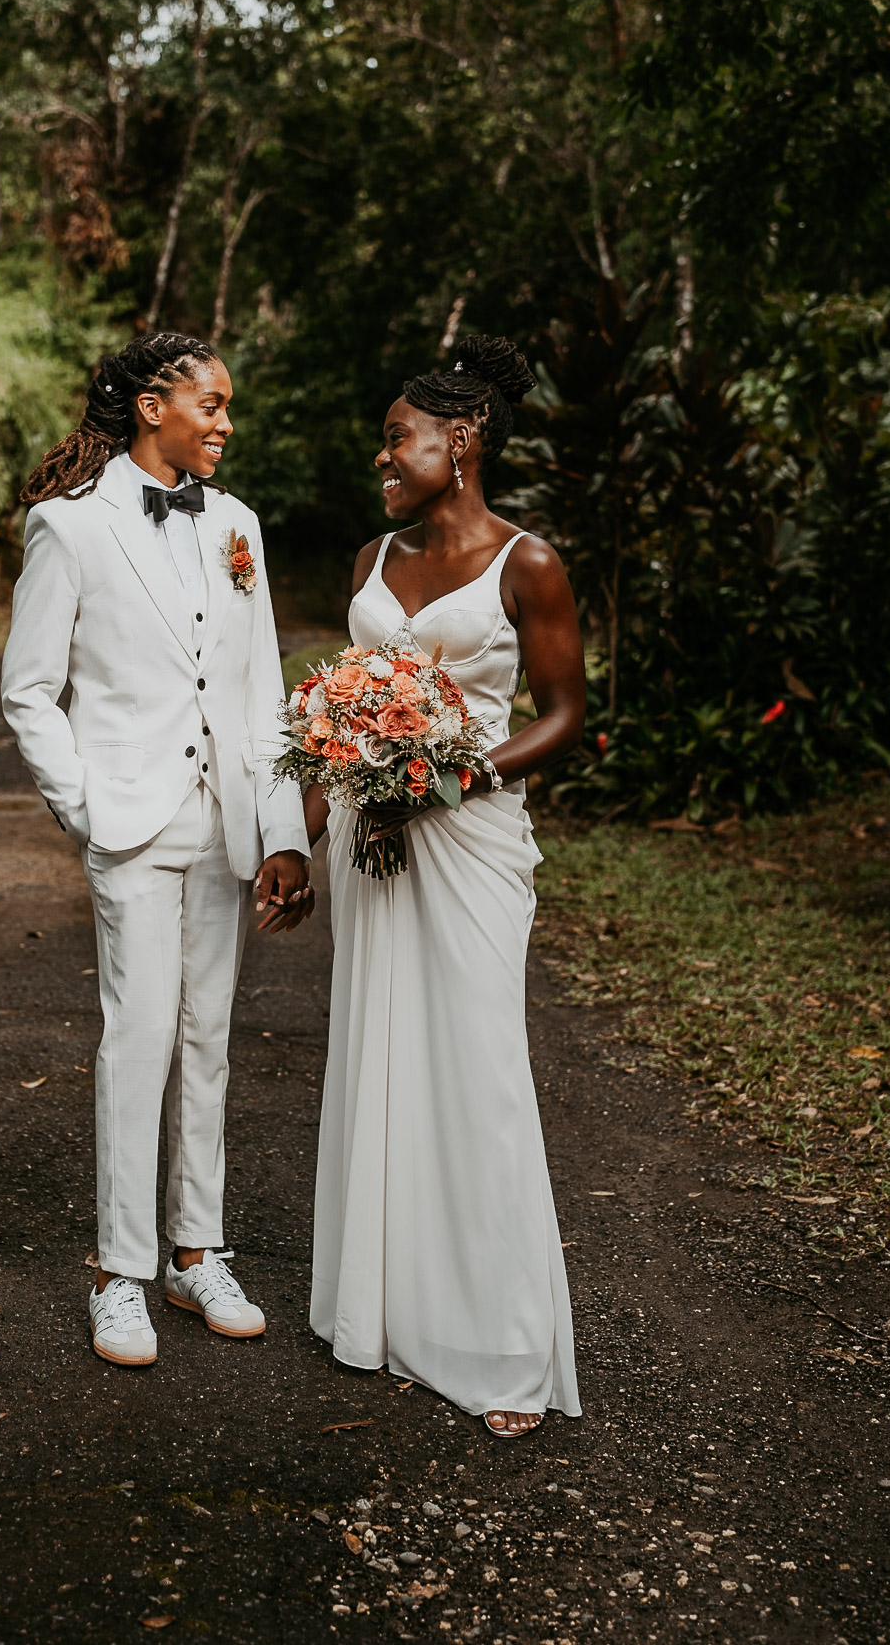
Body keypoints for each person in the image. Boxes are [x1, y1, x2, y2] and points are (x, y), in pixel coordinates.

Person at [2, 331, 312, 1368]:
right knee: (136, 1040)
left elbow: (263, 692)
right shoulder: (69, 528)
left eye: (227, 408)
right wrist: (85, 806)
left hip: (222, 820)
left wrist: (281, 832)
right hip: (129, 822)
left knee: (208, 1041)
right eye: (211, 405)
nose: (225, 423)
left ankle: (197, 1251)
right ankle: (117, 1272)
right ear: (151, 408)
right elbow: (29, 690)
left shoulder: (237, 527)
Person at [303, 333, 584, 1438]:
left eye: (396, 437)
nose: (383, 456)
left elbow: (564, 716)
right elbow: (338, 705)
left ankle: (502, 1343)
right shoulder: (373, 557)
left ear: (459, 440)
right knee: (380, 1060)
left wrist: (449, 775)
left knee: (474, 1072)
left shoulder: (530, 564)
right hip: (370, 840)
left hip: (469, 844)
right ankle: (388, 1314)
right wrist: (313, 819)